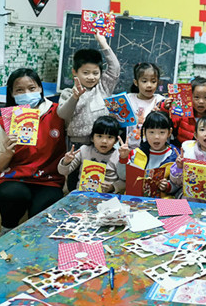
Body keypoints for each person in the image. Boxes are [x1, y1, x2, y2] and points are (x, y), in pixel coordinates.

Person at [0, 68, 66, 236]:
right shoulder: (3, 122)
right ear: (12, 93)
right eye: (20, 90)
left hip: (48, 180)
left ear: (40, 88)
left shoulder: (59, 113)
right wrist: (8, 153)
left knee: (43, 213)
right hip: (13, 179)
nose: (27, 94)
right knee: (12, 195)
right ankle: (7, 228)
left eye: (32, 88)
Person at [57, 31, 120, 190]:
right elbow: (62, 114)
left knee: (98, 182)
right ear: (75, 72)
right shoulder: (68, 93)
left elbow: (115, 68)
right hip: (77, 145)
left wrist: (103, 43)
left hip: (103, 143)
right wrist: (75, 97)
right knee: (75, 182)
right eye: (85, 73)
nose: (91, 77)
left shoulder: (103, 87)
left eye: (95, 73)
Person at [57, 116, 125, 193]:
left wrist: (113, 187)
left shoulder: (118, 155)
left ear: (116, 141)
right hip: (82, 194)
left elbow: (125, 180)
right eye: (99, 136)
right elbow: (63, 172)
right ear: (92, 138)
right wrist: (66, 161)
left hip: (107, 196)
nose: (104, 141)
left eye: (110, 137)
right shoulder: (84, 150)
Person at [118, 110, 179, 195]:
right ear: (144, 132)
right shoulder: (135, 153)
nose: (156, 137)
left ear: (169, 132)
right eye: (151, 132)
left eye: (162, 132)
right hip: (135, 198)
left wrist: (168, 186)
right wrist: (123, 158)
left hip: (161, 199)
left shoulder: (175, 156)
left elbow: (179, 184)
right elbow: (123, 176)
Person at [162, 76, 206, 146]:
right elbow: (169, 123)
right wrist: (165, 109)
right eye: (196, 97)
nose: (201, 101)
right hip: (183, 148)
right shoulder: (182, 111)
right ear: (189, 97)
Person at [125, 62, 165, 149]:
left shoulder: (161, 101)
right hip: (130, 148)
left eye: (153, 81)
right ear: (136, 82)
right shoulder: (127, 99)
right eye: (144, 81)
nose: (149, 85)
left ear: (158, 82)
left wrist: (163, 112)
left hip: (154, 149)